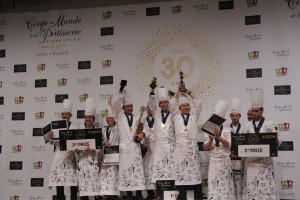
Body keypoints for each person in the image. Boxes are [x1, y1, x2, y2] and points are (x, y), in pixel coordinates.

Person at [241, 90, 281, 200]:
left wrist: (278, 140)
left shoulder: (270, 124)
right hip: (251, 162)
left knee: (265, 190)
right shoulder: (248, 125)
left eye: (256, 111)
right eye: (252, 111)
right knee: (252, 190)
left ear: (262, 110)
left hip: (265, 162)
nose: (253, 113)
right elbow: (241, 140)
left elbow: (278, 138)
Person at [169, 83, 203, 200]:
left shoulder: (194, 116)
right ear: (179, 108)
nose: (186, 107)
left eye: (188, 105)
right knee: (181, 172)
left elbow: (198, 104)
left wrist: (188, 92)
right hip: (180, 148)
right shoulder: (176, 116)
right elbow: (171, 103)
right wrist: (178, 91)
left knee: (194, 172)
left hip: (192, 147)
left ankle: (197, 195)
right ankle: (182, 195)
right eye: (183, 106)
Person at [112, 87, 146, 200]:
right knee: (127, 173)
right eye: (127, 106)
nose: (130, 108)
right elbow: (115, 103)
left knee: (136, 172)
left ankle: (139, 194)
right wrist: (121, 91)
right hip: (125, 150)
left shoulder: (137, 118)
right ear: (123, 108)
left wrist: (142, 135)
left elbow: (143, 130)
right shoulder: (119, 117)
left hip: (135, 148)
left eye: (131, 106)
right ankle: (129, 195)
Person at [203, 100, 235, 200]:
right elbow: (205, 147)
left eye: (217, 118)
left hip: (225, 160)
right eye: (213, 117)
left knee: (225, 185)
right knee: (214, 185)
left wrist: (218, 137)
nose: (214, 119)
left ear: (222, 119)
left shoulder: (228, 129)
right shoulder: (207, 128)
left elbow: (229, 144)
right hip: (214, 161)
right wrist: (211, 140)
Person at [48, 99, 78, 200]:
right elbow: (52, 142)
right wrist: (50, 137)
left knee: (73, 185)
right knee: (59, 184)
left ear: (70, 115)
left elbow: (76, 143)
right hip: (59, 158)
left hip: (70, 159)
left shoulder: (74, 127)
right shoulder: (56, 127)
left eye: (67, 114)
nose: (64, 116)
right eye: (63, 114)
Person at [147, 85, 176, 185]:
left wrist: (175, 95)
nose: (164, 104)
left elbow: (177, 104)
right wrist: (152, 90)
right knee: (160, 172)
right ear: (159, 105)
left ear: (168, 103)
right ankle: (160, 194)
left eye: (165, 102)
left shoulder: (174, 114)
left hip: (170, 145)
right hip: (159, 147)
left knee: (171, 171)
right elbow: (151, 104)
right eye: (162, 103)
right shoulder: (156, 114)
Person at [76, 98, 102, 200]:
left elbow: (100, 145)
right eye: (86, 117)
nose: (87, 119)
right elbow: (75, 145)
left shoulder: (97, 131)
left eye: (89, 117)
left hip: (94, 162)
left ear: (93, 119)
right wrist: (77, 150)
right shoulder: (79, 131)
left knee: (96, 188)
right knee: (84, 190)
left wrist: (94, 150)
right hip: (82, 162)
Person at [100, 97, 120, 199]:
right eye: (107, 118)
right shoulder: (104, 130)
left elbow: (117, 117)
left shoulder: (118, 128)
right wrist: (104, 142)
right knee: (105, 182)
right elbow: (101, 141)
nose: (108, 120)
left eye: (110, 118)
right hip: (106, 158)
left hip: (115, 157)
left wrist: (112, 107)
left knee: (113, 180)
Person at [138, 106, 157, 200]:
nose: (150, 109)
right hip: (149, 148)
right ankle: (150, 193)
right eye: (148, 108)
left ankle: (161, 192)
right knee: (147, 169)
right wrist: (142, 143)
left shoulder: (159, 119)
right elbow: (141, 133)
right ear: (146, 109)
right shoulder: (143, 121)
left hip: (159, 149)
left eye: (152, 107)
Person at [229, 98, 243, 200]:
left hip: (241, 160)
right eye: (233, 116)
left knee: (240, 184)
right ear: (230, 116)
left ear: (240, 116)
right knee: (230, 183)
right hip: (229, 159)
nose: (234, 117)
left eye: (236, 115)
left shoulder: (245, 128)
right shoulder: (225, 129)